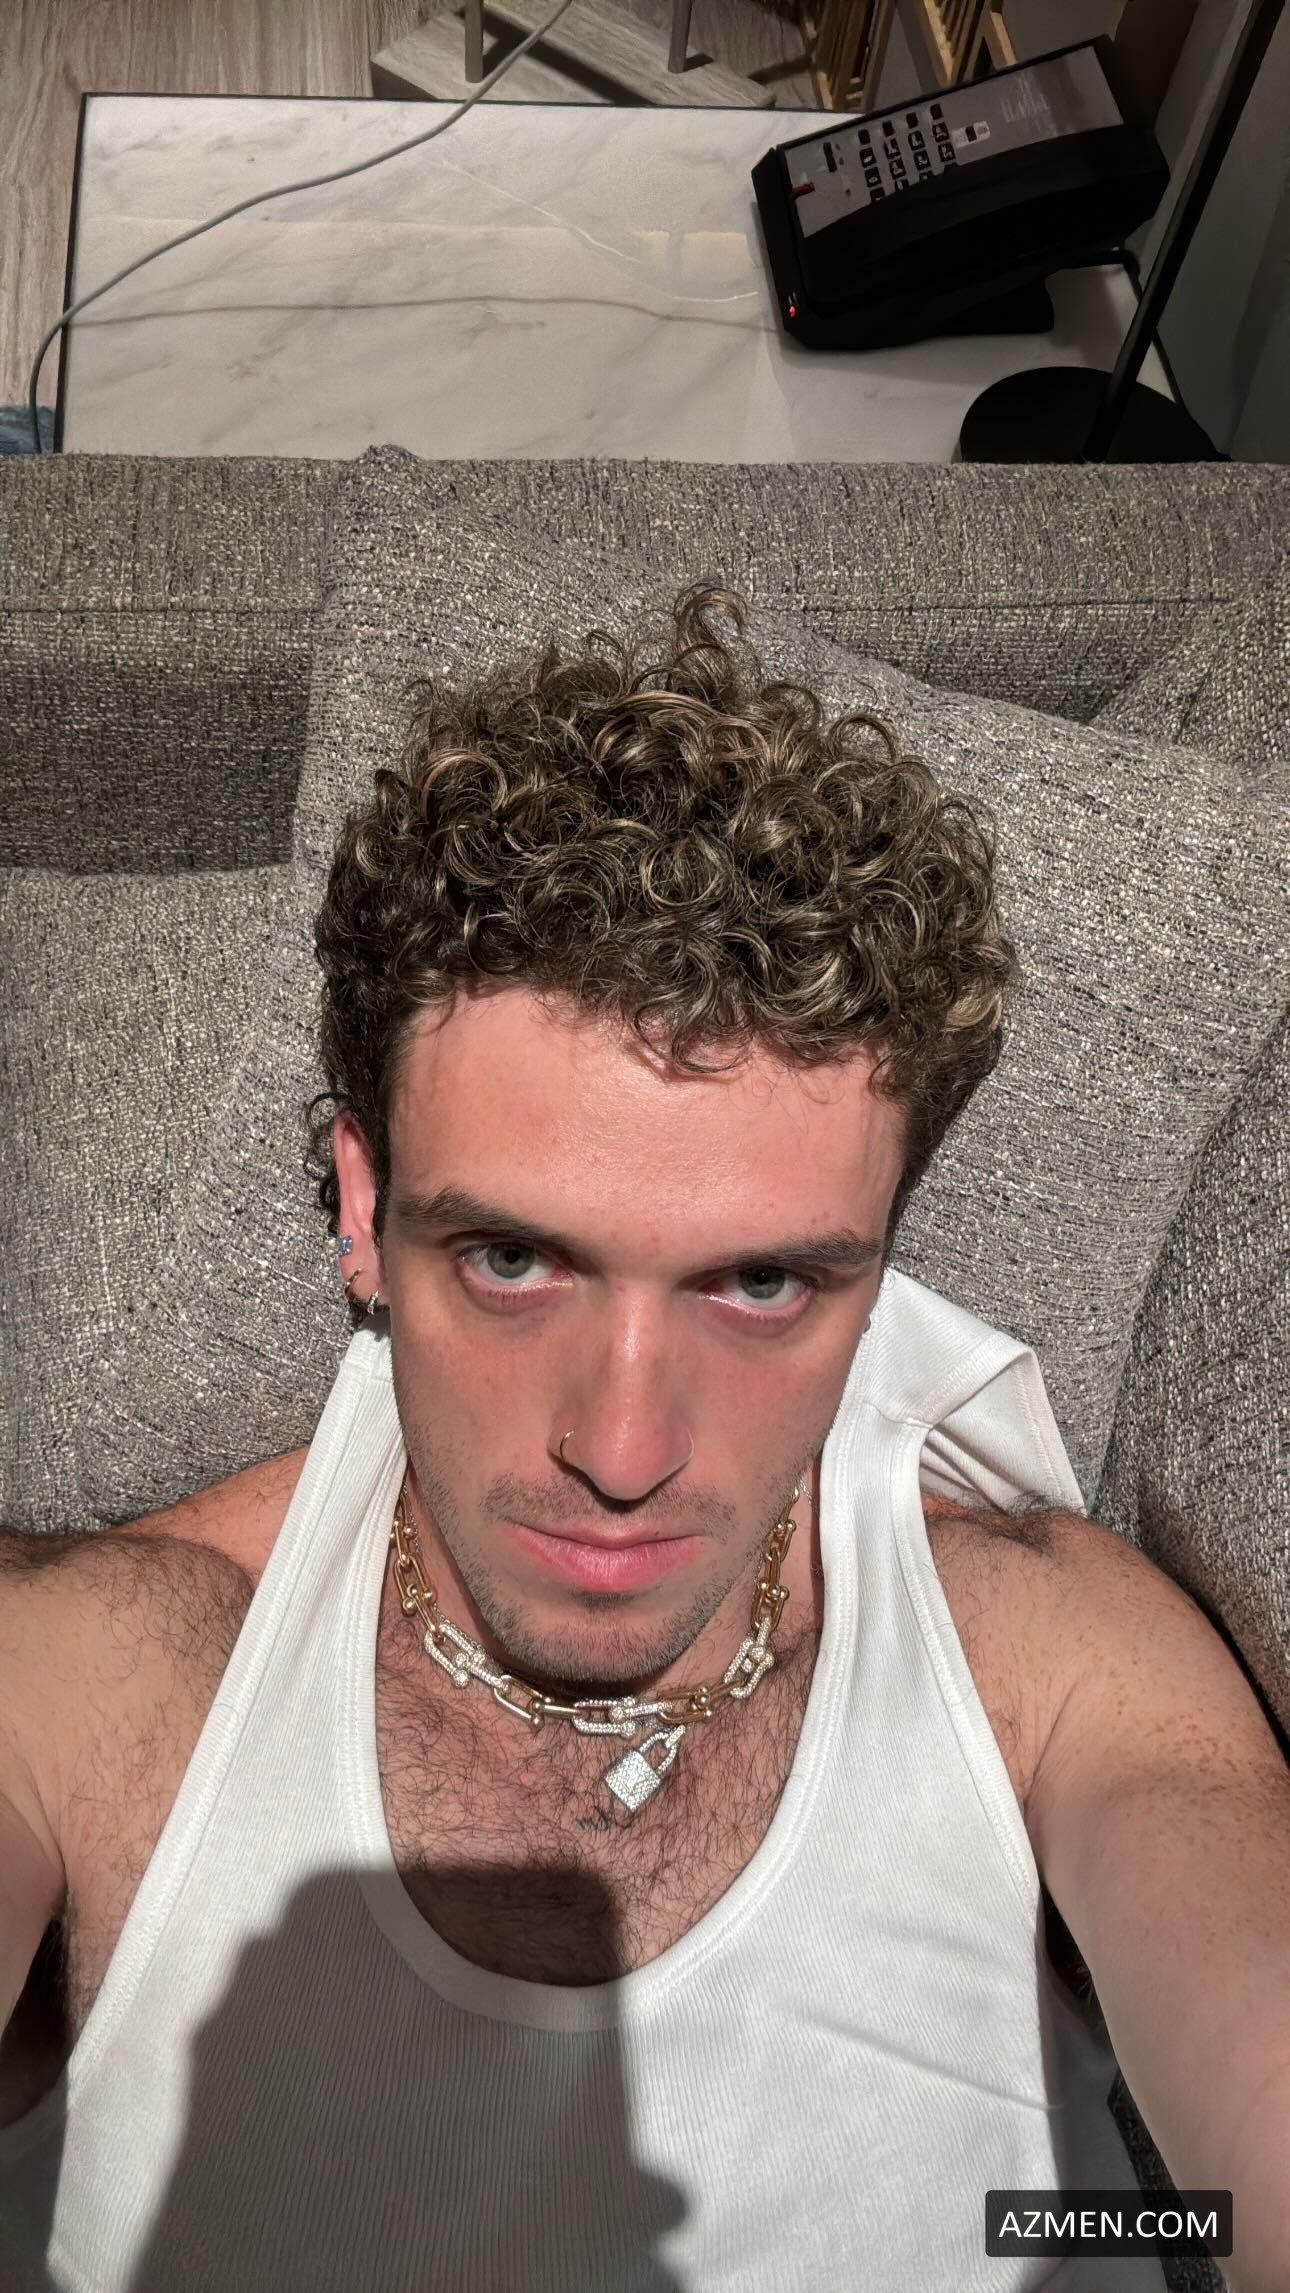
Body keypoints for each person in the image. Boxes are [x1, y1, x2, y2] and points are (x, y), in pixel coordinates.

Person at [0, 586, 1286, 2293]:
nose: (621, 1447)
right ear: (364, 1208)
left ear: (878, 1259)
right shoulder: (99, 1675)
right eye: (511, 1259)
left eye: (759, 1282)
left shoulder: (1045, 1663)